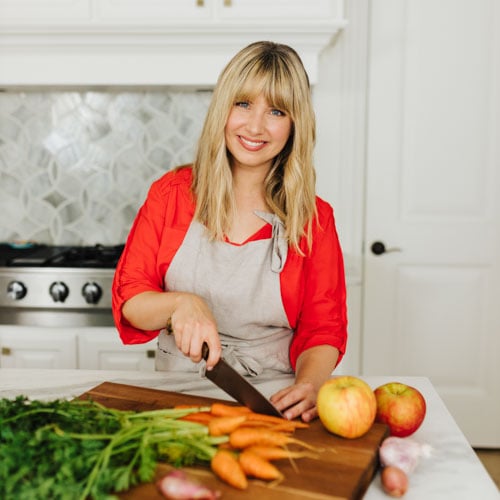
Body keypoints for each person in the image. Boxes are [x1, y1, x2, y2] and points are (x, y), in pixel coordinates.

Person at [112, 41, 347, 422]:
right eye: (243, 104)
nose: (255, 126)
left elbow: (324, 328)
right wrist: (180, 304)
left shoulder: (313, 220)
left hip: (273, 398)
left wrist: (309, 385)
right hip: (177, 395)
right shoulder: (172, 195)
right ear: (223, 107)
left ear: (295, 124)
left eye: (276, 110)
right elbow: (131, 299)